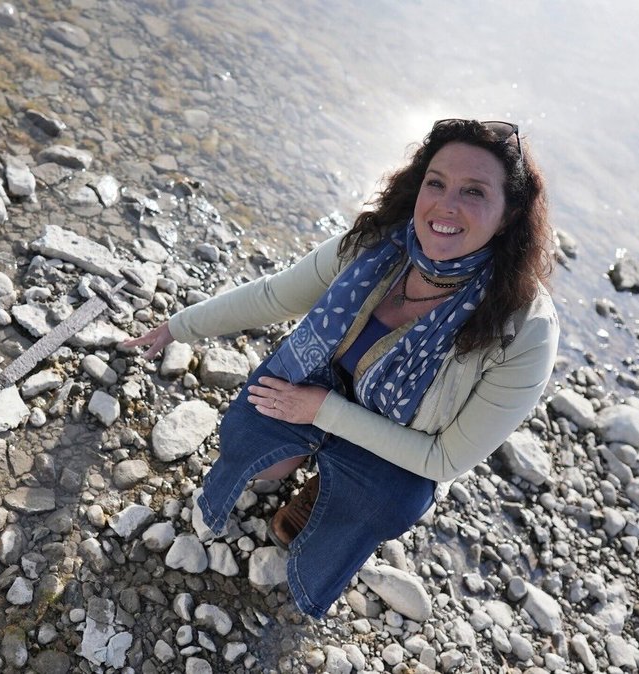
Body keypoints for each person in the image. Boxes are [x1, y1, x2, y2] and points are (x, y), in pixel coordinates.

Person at [121, 118, 559, 619]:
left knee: (380, 505)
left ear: (508, 216)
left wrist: (322, 411)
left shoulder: (524, 330)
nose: (446, 204)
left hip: (405, 438)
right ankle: (306, 463)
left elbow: (445, 460)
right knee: (251, 450)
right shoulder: (378, 245)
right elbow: (273, 295)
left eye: (474, 191)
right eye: (436, 182)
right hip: (326, 385)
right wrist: (178, 327)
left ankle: (324, 493)